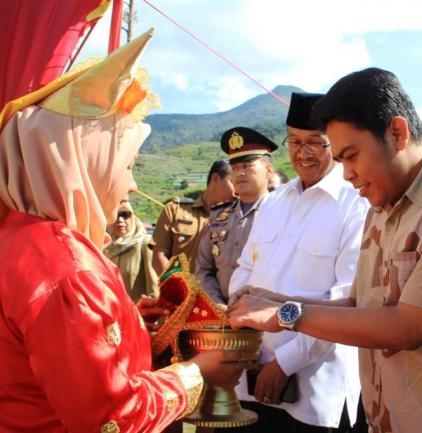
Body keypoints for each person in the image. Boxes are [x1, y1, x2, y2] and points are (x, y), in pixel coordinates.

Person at [228, 68, 422, 432]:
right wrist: (278, 299)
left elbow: (406, 325)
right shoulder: (381, 206)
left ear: (397, 133)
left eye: (352, 156)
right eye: (341, 161)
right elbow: (359, 306)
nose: (348, 174)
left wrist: (286, 313)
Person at [0, 30, 253, 433]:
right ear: (82, 165)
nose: (131, 185)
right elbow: (111, 417)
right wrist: (196, 372)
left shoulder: (19, 238)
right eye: (128, 165)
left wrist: (128, 327)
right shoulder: (68, 271)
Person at [226, 92, 370, 432]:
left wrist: (285, 364)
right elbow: (245, 268)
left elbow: (347, 301)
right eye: (294, 141)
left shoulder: (355, 204)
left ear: (333, 143)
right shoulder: (276, 201)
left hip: (315, 387)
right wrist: (241, 307)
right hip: (252, 368)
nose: (303, 153)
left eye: (315, 143)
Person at [195, 126, 277, 304]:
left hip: (263, 312)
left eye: (247, 166)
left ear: (269, 171)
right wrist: (216, 303)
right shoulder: (219, 215)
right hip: (220, 313)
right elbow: (204, 267)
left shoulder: (281, 213)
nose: (240, 173)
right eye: (235, 167)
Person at [151, 159, 235, 275]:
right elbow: (159, 255)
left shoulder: (237, 219)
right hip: (177, 289)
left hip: (215, 292)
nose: (237, 190)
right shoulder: (175, 210)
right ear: (215, 178)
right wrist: (178, 286)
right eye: (233, 182)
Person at [104, 199, 158, 302]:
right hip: (112, 315)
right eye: (115, 215)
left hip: (138, 314)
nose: (120, 219)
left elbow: (154, 290)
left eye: (125, 214)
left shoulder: (145, 244)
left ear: (132, 217)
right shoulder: (104, 248)